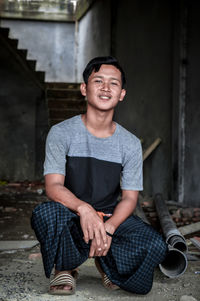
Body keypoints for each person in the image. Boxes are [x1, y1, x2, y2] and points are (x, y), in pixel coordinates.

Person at [31, 56, 167, 295]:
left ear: (122, 93)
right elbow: (53, 186)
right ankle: (65, 267)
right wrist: (84, 209)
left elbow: (129, 199)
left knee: (156, 245)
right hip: (70, 214)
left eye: (113, 83)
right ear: (85, 88)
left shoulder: (130, 143)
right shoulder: (61, 133)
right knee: (45, 213)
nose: (106, 88)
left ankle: (107, 265)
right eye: (98, 81)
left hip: (109, 216)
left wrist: (109, 227)